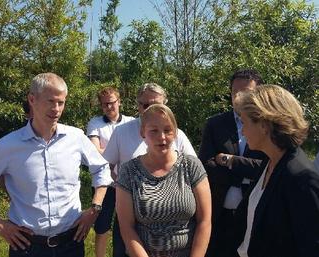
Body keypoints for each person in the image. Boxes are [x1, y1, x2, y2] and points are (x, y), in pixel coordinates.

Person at [0, 72, 113, 257]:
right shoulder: (8, 146)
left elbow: (101, 168)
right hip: (26, 246)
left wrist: (95, 208)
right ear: (32, 99)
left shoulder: (75, 138)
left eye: (61, 102)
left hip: (71, 243)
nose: (56, 109)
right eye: (50, 101)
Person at [103, 82, 197, 257]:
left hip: (173, 217)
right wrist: (121, 185)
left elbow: (195, 174)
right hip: (131, 218)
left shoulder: (177, 135)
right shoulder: (121, 132)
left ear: (166, 103)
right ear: (138, 105)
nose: (150, 109)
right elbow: (106, 165)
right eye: (145, 105)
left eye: (156, 104)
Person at [233, 85, 319, 257]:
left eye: (245, 123)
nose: (242, 131)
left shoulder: (301, 178)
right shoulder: (269, 161)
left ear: (264, 125)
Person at [116, 104, 211, 257]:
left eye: (167, 130)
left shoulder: (191, 166)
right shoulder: (129, 171)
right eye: (154, 131)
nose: (162, 137)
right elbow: (127, 227)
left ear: (175, 132)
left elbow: (204, 221)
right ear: (142, 132)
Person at [198, 69, 267, 257]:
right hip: (219, 213)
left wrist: (231, 161)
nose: (238, 97)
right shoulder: (215, 124)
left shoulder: (267, 126)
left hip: (255, 214)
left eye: (245, 92)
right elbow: (206, 164)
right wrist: (245, 171)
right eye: (234, 92)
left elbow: (266, 167)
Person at [86, 87, 134, 257]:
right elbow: (94, 151)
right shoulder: (95, 123)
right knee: (102, 227)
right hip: (104, 183)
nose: (109, 107)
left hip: (128, 183)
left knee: (127, 225)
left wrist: (107, 151)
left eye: (112, 102)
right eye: (105, 104)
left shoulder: (131, 122)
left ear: (119, 101)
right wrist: (121, 153)